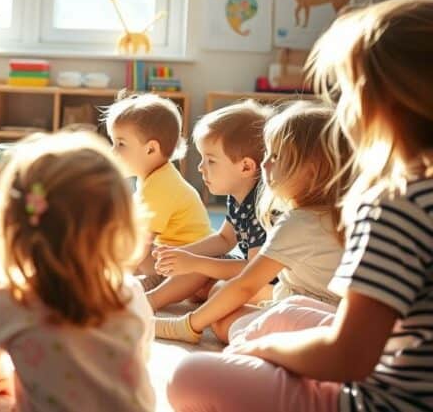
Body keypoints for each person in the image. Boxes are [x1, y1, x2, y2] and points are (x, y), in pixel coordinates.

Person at [167, 0, 433, 411]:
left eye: (347, 92)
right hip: (396, 360)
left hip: (383, 400)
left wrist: (268, 351)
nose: (341, 109)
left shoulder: (394, 205)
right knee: (289, 307)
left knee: (189, 376)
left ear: (384, 103)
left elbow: (349, 356)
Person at [0, 131, 155, 412]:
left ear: (14, 225)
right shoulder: (130, 293)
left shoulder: (12, 298)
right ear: (123, 226)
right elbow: (137, 361)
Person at [154, 102, 349, 344]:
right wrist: (184, 256)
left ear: (311, 171)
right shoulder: (327, 213)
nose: (264, 163)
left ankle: (153, 302)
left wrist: (187, 325)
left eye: (275, 156)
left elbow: (246, 282)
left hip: (314, 313)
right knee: (217, 296)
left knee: (222, 313)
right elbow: (225, 239)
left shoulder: (297, 221)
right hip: (313, 305)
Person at [147, 100, 272, 311]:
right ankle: (151, 290)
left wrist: (194, 262)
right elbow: (224, 239)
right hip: (252, 275)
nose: (200, 167)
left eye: (211, 161)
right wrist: (181, 253)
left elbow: (254, 269)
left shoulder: (263, 205)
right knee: (198, 275)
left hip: (272, 285)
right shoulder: (238, 195)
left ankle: (149, 302)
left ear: (246, 166)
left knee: (211, 283)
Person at [104, 93, 211, 286]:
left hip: (187, 263)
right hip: (171, 254)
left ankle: (148, 283)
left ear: (151, 149)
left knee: (135, 247)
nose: (113, 151)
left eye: (121, 144)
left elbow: (142, 242)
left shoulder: (161, 186)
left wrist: (116, 278)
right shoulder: (154, 177)